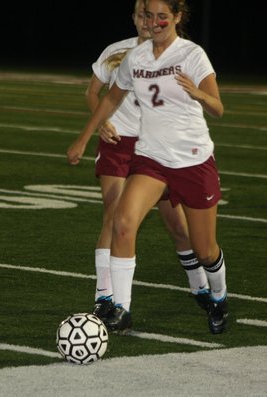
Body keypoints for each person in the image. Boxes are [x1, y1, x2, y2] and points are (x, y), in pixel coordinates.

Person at [68, 0, 228, 334]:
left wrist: (198, 93)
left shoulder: (192, 54)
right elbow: (110, 97)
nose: (153, 22)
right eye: (148, 15)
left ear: (177, 18)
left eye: (161, 17)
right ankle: (118, 308)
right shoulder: (133, 56)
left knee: (203, 247)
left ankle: (216, 295)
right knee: (121, 221)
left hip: (191, 159)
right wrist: (84, 137)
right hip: (150, 157)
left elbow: (218, 108)